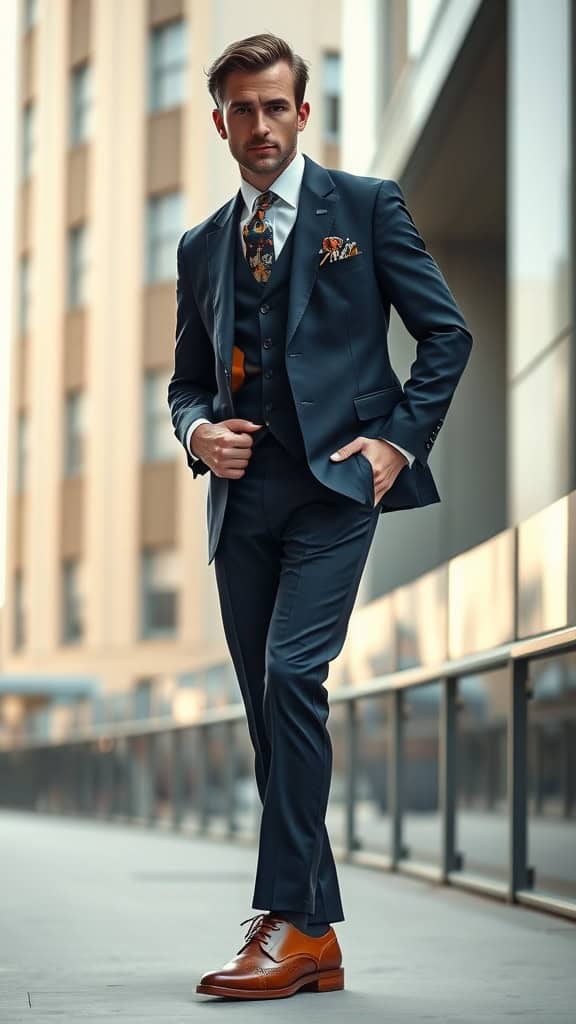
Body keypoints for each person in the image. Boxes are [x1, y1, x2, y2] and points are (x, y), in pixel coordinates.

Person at [168, 32, 473, 1001]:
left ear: (304, 112)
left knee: (294, 674)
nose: (260, 126)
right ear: (220, 122)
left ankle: (288, 922)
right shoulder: (201, 245)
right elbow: (182, 383)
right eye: (242, 110)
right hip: (241, 499)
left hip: (337, 489)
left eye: (275, 106)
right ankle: (313, 932)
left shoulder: (367, 208)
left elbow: (446, 334)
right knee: (269, 710)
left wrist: (396, 444)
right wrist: (195, 432)